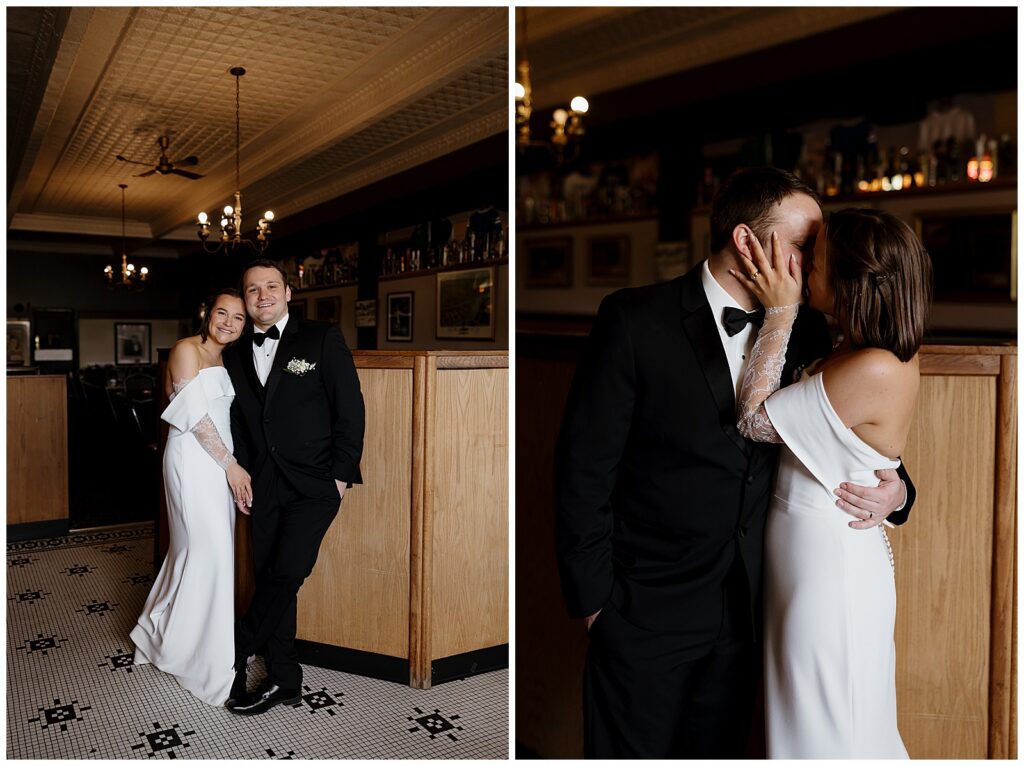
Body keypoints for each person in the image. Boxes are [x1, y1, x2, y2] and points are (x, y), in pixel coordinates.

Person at [553, 167, 916, 758]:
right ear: (748, 242)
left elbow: (857, 443)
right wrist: (597, 606)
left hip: (758, 619)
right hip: (645, 614)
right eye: (804, 245)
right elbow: (583, 471)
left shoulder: (813, 335)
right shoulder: (635, 320)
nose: (816, 260)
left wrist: (898, 494)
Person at [733, 208, 931, 757]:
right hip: (803, 557)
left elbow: (754, 419)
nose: (802, 267)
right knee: (805, 722)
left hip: (831, 572)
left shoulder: (876, 364)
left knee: (829, 728)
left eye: (814, 259)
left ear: (849, 281)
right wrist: (898, 491)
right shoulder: (851, 346)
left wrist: (779, 313)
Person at [223, 259, 365, 716]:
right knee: (272, 580)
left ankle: (237, 651)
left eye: (270, 287)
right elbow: (242, 422)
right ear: (244, 300)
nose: (262, 296)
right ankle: (285, 679)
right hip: (262, 485)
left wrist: (340, 476)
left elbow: (351, 409)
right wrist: (242, 473)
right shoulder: (235, 354)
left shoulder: (321, 338)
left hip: (315, 485)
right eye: (252, 290)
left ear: (288, 293)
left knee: (287, 573)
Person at [131, 289, 250, 705]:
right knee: (207, 551)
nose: (228, 323)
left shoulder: (225, 358)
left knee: (200, 553)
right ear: (208, 313)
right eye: (222, 313)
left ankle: (161, 632)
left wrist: (233, 471)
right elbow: (195, 418)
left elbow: (223, 418)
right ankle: (202, 660)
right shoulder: (186, 349)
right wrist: (231, 467)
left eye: (238, 318)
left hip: (218, 462)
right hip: (191, 459)